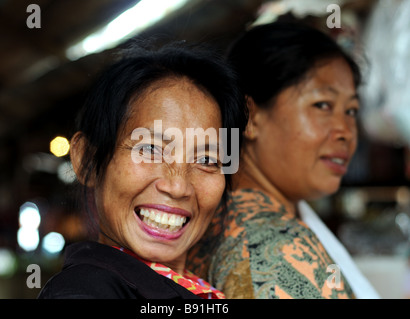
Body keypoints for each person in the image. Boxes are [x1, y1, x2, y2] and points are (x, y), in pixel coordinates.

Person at [38, 43, 248, 299]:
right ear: (87, 160)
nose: (178, 186)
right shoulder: (83, 292)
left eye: (206, 159)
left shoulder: (194, 290)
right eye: (150, 149)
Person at [188, 22, 380, 299]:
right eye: (323, 105)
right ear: (249, 116)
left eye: (351, 110)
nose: (346, 133)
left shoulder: (221, 220)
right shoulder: (275, 245)